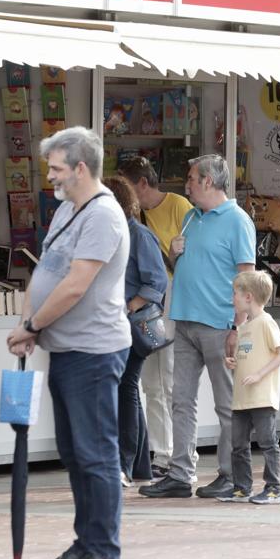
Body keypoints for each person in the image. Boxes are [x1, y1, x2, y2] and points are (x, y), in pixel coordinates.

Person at [12, 128, 131, 559]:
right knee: (76, 453)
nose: (50, 175)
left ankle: (104, 551)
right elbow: (46, 271)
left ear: (81, 168)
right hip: (65, 349)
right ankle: (86, 543)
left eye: (57, 168)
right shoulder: (67, 209)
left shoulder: (103, 216)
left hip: (94, 351)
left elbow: (77, 284)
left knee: (95, 453)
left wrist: (33, 325)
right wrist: (29, 325)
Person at [139, 154, 256, 500]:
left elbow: (246, 275)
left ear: (207, 181)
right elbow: (184, 262)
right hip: (185, 320)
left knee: (227, 404)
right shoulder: (191, 217)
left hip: (220, 323)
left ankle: (231, 473)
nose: (186, 184)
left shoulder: (237, 221)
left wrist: (239, 327)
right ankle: (179, 473)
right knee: (181, 400)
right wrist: (174, 253)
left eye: (190, 178)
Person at [118, 155, 194, 477]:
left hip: (164, 301)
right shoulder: (139, 217)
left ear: (142, 184)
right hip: (151, 304)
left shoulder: (177, 206)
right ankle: (156, 452)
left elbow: (181, 262)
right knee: (147, 382)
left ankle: (167, 454)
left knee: (164, 380)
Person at [101, 176, 169, 486]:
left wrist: (129, 305)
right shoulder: (112, 233)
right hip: (116, 321)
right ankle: (139, 465)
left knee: (126, 387)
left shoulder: (139, 235)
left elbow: (157, 281)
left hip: (132, 323)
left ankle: (124, 464)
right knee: (129, 389)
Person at [223, 271, 280, 504]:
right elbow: (248, 356)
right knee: (238, 445)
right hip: (242, 398)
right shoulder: (245, 326)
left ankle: (274, 489)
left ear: (249, 296)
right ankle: (242, 488)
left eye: (235, 294)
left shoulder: (266, 323)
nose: (233, 298)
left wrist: (259, 375)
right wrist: (233, 362)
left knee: (268, 443)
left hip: (262, 397)